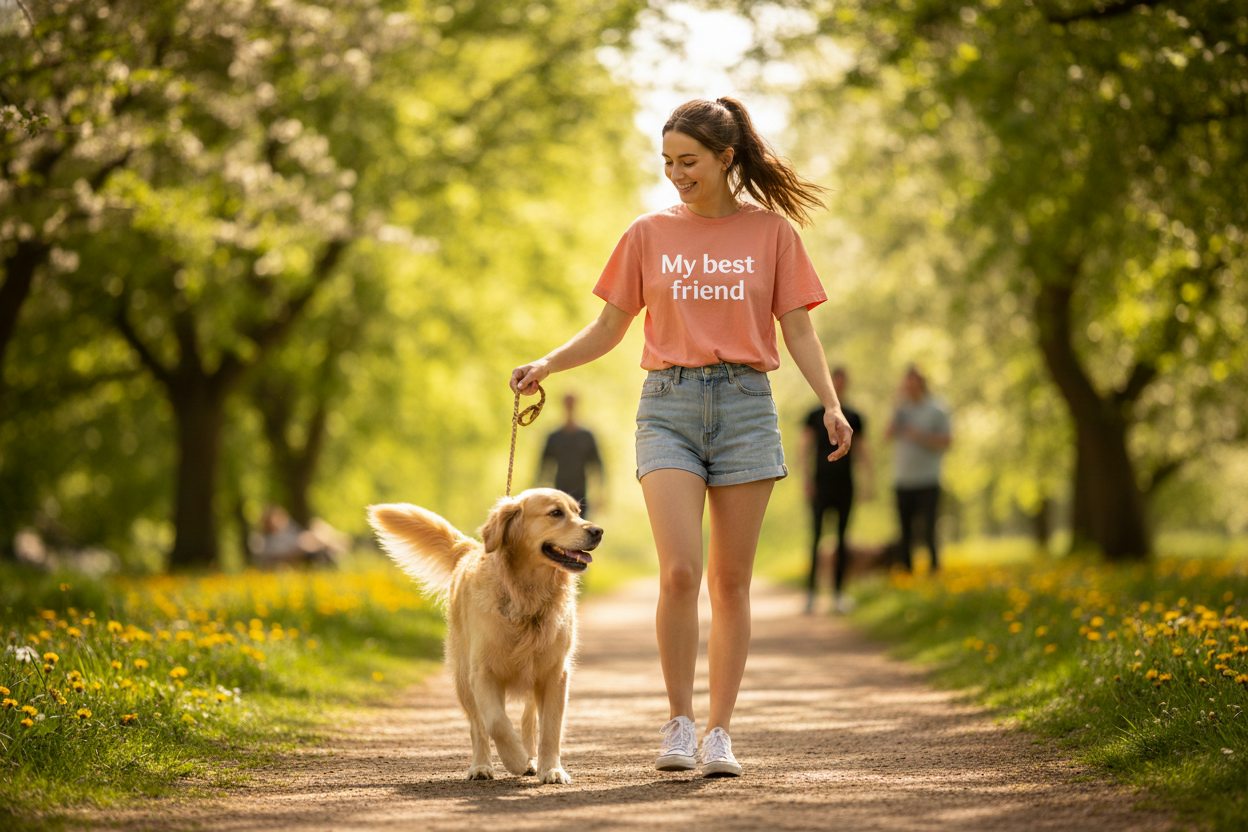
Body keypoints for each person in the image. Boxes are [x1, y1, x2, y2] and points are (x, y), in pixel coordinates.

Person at [510, 97, 852, 779]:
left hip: (746, 407)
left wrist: (832, 406)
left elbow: (800, 330)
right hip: (666, 404)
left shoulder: (773, 235)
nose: (675, 174)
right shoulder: (648, 233)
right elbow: (610, 327)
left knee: (730, 581)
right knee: (679, 572)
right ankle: (678, 721)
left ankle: (720, 732)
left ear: (727, 159)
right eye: (666, 161)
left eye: (688, 161)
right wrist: (548, 362)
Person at [801, 366, 873, 615]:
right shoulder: (813, 414)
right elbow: (804, 447)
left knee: (843, 540)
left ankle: (839, 594)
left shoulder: (854, 416)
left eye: (844, 382)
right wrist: (806, 479)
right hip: (820, 484)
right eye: (837, 381)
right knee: (816, 537)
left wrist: (868, 481)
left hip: (845, 485)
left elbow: (863, 450)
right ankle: (811, 594)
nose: (840, 385)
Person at [885, 365, 951, 573]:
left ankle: (934, 570)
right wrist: (896, 405)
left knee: (929, 529)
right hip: (903, 479)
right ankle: (907, 572)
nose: (909, 385)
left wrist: (920, 436)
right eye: (906, 381)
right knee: (905, 530)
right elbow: (886, 436)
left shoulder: (938, 408)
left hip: (928, 479)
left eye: (913, 381)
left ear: (921, 382)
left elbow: (947, 441)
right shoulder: (901, 410)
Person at [539, 393, 604, 517]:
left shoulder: (586, 436)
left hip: (581, 494)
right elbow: (543, 466)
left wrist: (600, 493)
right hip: (559, 491)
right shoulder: (555, 437)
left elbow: (598, 465)